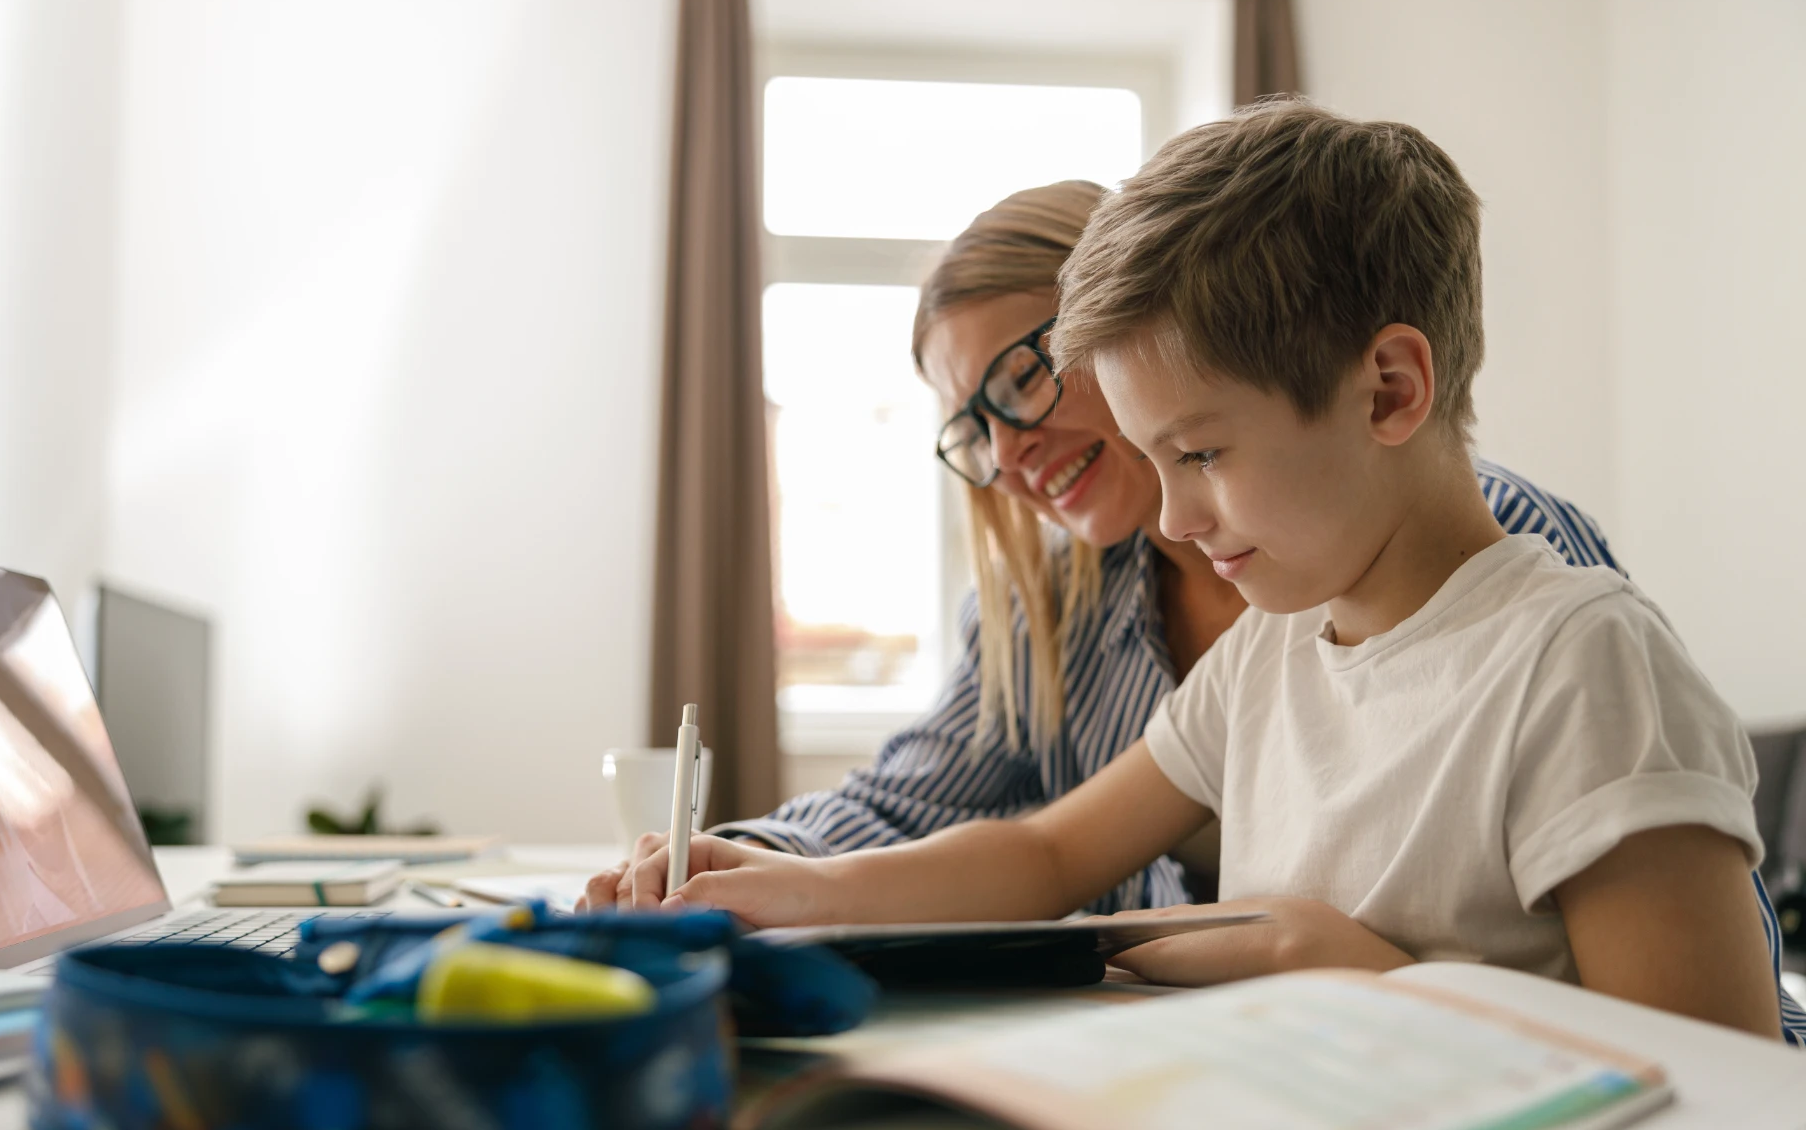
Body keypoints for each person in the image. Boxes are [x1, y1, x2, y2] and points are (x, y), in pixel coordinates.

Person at [604, 100, 1805, 1042]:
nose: (1170, 516)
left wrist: (1346, 968)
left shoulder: (1577, 658)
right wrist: (780, 888)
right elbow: (1044, 854)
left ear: (1389, 389)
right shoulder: (1276, 647)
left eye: (1198, 452)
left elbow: (1718, 1085)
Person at [588, 180, 1618, 916]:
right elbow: (995, 836)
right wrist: (761, 866)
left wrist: (1315, 961)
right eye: (970, 429)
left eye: (1020, 382)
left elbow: (1694, 1000)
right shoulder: (1092, 617)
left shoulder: (1513, 583)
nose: (1007, 455)